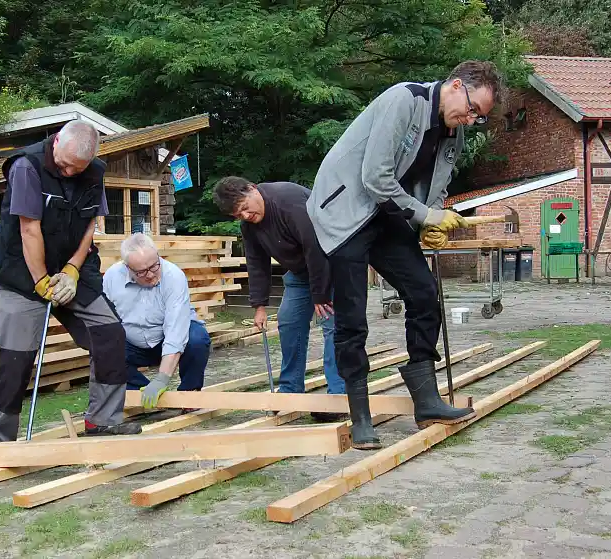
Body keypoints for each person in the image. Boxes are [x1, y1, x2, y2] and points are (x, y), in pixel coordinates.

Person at [306, 60, 504, 449]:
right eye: (472, 109)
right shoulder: (404, 100)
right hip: (345, 212)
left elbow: (435, 189)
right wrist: (426, 214)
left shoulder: (453, 137)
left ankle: (426, 399)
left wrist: (431, 223)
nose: (470, 119)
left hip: (386, 215)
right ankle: (360, 416)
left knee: (424, 294)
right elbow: (375, 177)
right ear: (456, 85)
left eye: (478, 117)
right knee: (352, 318)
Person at [0, 119, 141, 441]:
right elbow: (29, 229)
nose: (70, 173)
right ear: (57, 142)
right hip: (21, 272)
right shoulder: (26, 167)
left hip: (72, 269)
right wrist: (42, 281)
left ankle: (103, 420)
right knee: (15, 356)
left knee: (109, 333)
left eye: (78, 169)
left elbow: (90, 225)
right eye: (65, 166)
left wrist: (72, 269)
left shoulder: (94, 171)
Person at [213, 178, 346, 420]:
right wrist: (259, 305)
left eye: (244, 207)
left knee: (332, 327)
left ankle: (338, 396)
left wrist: (320, 294)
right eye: (237, 214)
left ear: (252, 189)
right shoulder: (249, 226)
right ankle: (290, 392)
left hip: (331, 265)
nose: (244, 215)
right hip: (298, 273)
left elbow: (315, 248)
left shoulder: (288, 201)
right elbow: (256, 263)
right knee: (289, 323)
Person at [103, 233, 211, 408]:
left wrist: (162, 379)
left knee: (197, 339)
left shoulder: (174, 277)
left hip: (165, 339)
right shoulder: (112, 277)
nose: (151, 275)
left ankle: (189, 395)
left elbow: (176, 331)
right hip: (132, 343)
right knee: (103, 348)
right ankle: (139, 392)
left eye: (154, 267)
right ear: (127, 268)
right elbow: (106, 322)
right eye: (142, 272)